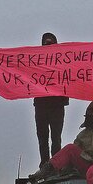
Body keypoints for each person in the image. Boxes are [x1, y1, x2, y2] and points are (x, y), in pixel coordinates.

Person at [34, 32, 69, 167]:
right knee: (42, 136)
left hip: (57, 106)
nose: (48, 45)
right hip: (41, 105)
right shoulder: (35, 60)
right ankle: (44, 162)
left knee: (56, 137)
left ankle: (55, 162)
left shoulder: (62, 61)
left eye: (50, 42)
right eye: (46, 42)